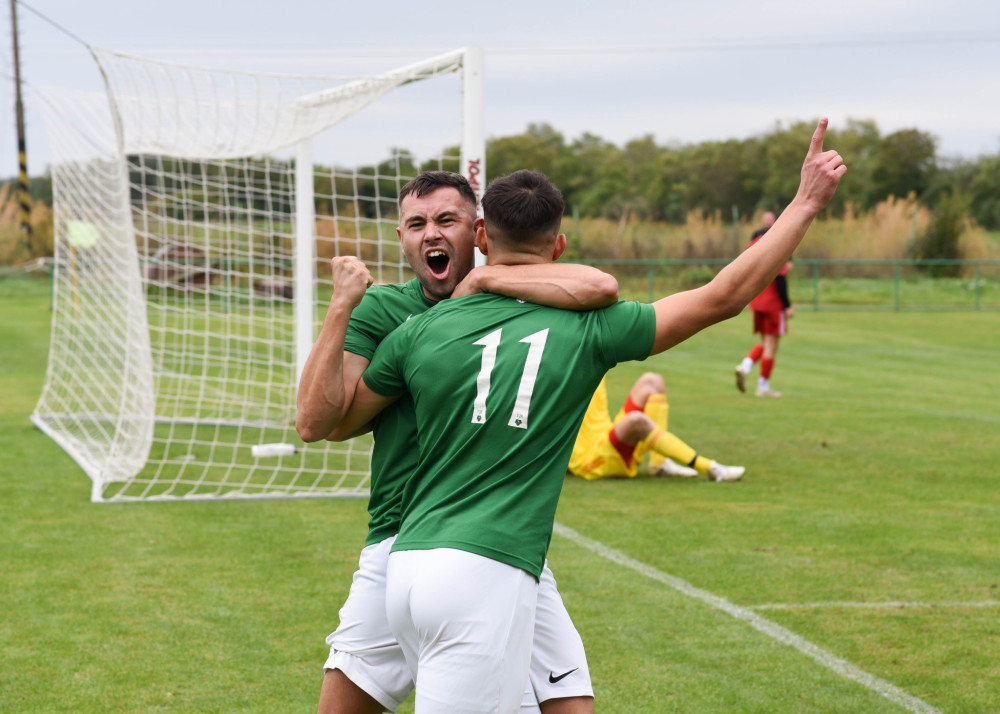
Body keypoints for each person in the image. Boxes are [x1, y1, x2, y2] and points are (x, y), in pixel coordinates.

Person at [330, 118, 845, 714]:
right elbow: (725, 294)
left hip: (409, 562)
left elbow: (336, 420)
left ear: (481, 238)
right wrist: (805, 203)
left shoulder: (418, 330)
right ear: (560, 246)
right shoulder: (596, 327)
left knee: (568, 700)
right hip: (486, 569)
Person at [296, 171, 616, 714]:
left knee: (568, 701)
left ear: (480, 232)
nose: (431, 235)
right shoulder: (385, 312)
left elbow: (600, 288)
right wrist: (341, 306)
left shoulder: (528, 298)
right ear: (401, 238)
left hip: (499, 543)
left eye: (447, 220)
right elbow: (318, 422)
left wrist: (489, 283)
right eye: (416, 224)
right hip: (400, 538)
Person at [568, 372, 745, 482]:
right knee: (636, 420)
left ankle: (659, 464)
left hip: (606, 436)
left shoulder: (589, 351)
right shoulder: (553, 369)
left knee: (652, 381)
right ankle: (711, 469)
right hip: (591, 460)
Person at [733, 211, 794, 397]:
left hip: (757, 301)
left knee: (765, 341)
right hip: (773, 303)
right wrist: (787, 305)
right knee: (772, 344)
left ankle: (746, 365)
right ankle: (763, 386)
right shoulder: (777, 245)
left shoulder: (754, 244)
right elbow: (781, 277)